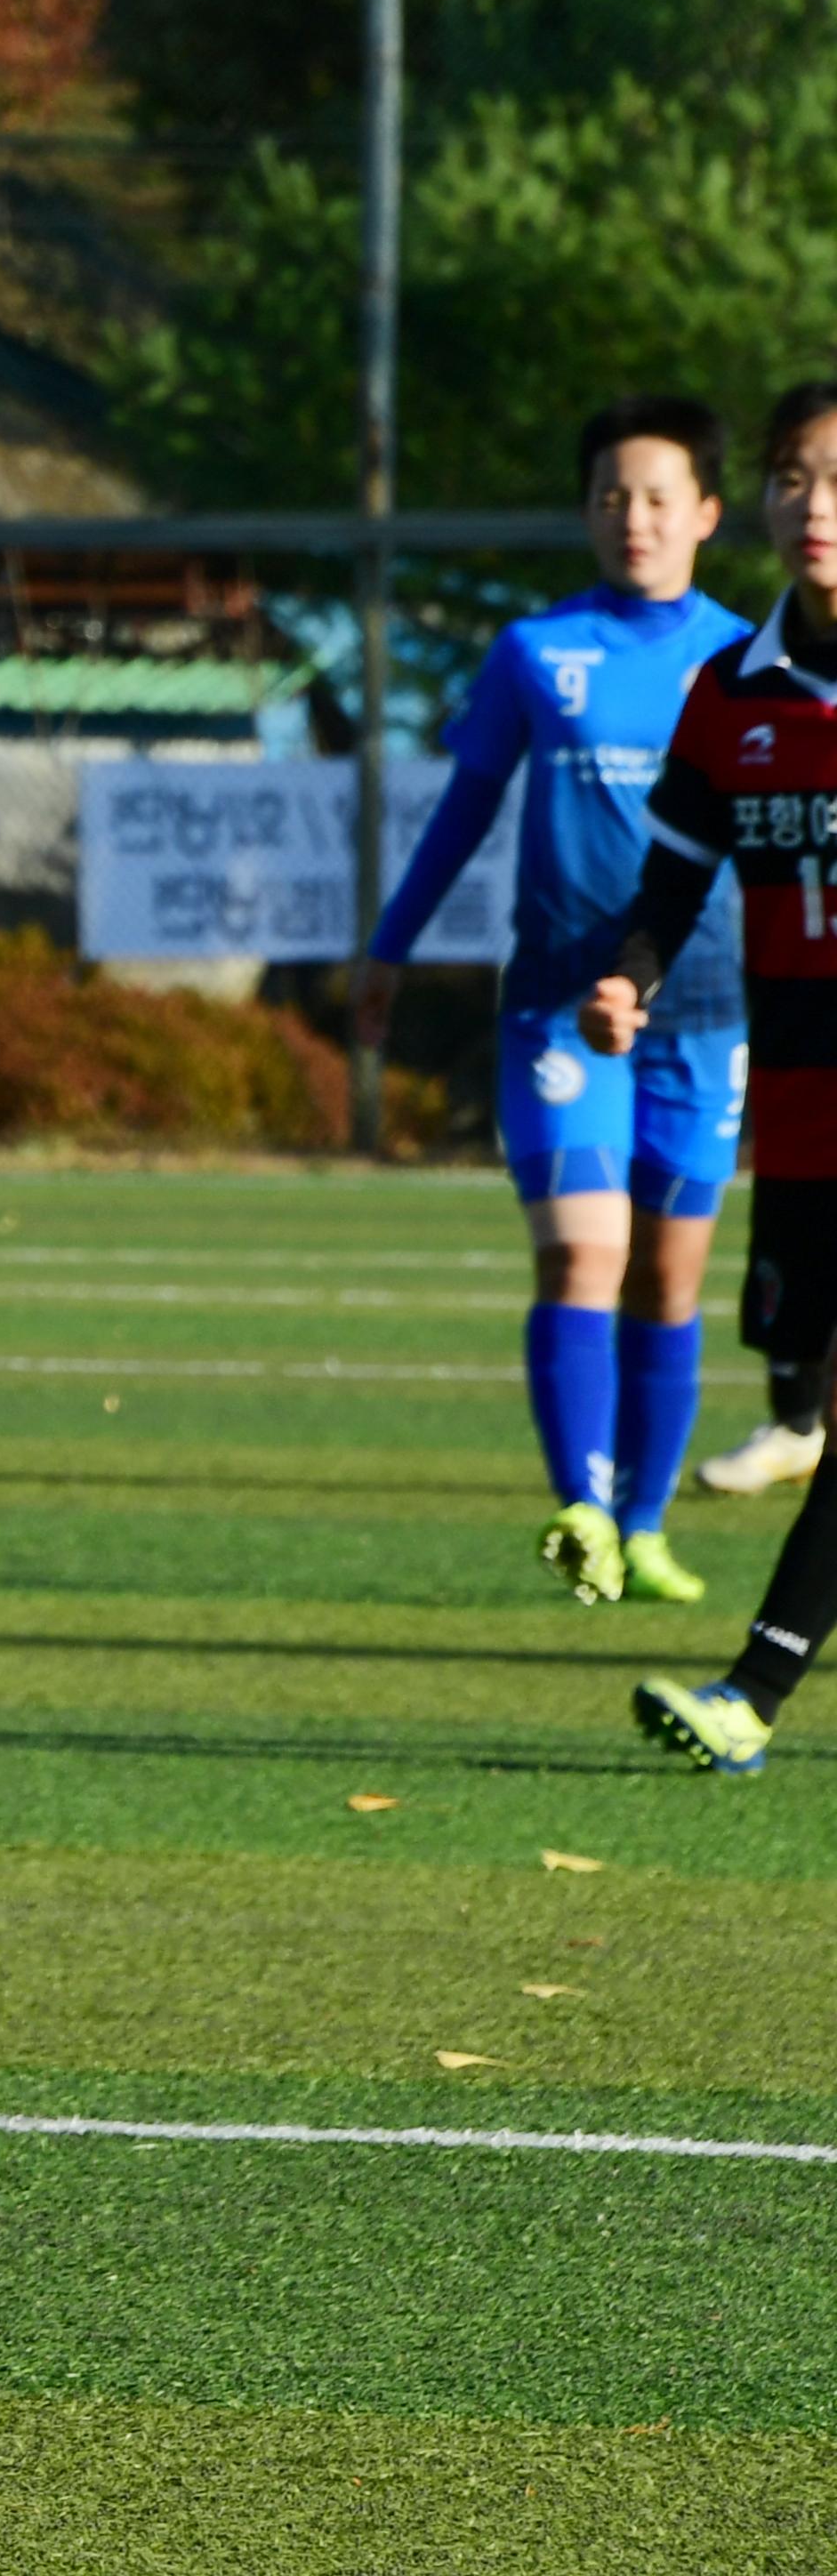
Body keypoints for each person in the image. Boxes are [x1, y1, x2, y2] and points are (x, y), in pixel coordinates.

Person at [348, 398, 749, 1607]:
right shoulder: (535, 652)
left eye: (659, 497)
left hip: (705, 1010)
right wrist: (389, 947)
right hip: (557, 1008)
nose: (634, 519)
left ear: (708, 514)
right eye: (611, 497)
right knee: (586, 1250)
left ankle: (644, 1523)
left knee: (670, 1282)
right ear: (586, 512)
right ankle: (580, 1505)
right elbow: (464, 812)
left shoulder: (747, 661)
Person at [588, 377, 837, 1778]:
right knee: (802, 1372)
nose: (819, 507)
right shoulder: (730, 696)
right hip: (802, 1111)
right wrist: (629, 974)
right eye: (800, 477)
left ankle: (750, 1691)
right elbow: (672, 883)